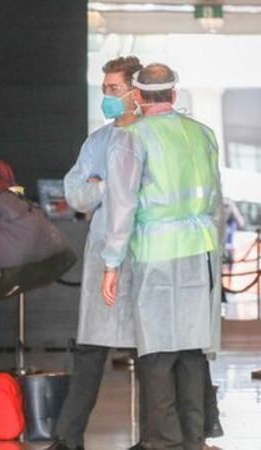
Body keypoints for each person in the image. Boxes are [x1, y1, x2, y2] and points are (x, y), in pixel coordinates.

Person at [101, 63, 223, 450]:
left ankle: (164, 441)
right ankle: (193, 438)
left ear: (137, 95)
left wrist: (111, 262)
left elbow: (121, 207)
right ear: (174, 93)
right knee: (191, 348)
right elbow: (216, 200)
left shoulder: (131, 139)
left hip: (155, 252)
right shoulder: (203, 134)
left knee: (156, 349)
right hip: (199, 250)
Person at [44, 56, 143, 450]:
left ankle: (155, 438)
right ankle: (68, 437)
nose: (108, 97)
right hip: (103, 252)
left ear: (136, 92)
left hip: (144, 252)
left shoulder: (151, 136)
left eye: (114, 89)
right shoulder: (97, 141)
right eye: (104, 89)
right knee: (90, 348)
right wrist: (101, 188)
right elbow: (76, 194)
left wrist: (105, 186)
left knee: (150, 353)